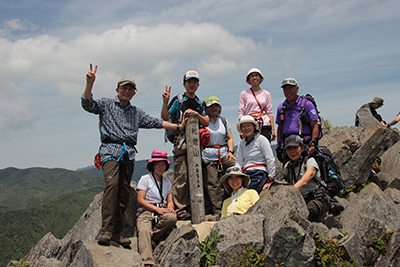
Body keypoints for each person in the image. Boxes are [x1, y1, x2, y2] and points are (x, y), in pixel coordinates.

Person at [81, 64, 186, 246]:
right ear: (117, 90)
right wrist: (89, 84)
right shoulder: (106, 104)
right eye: (124, 88)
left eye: (130, 89)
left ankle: (116, 232)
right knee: (112, 185)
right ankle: (106, 229)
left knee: (123, 192)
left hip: (128, 154)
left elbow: (156, 122)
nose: (127, 91)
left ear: (134, 93)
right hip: (110, 150)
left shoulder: (135, 112)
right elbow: (87, 104)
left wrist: (179, 127)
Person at [161, 70, 209, 220]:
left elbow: (206, 121)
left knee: (196, 172)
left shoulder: (200, 103)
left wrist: (194, 114)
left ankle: (197, 206)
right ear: (184, 84)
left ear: (198, 85)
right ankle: (181, 208)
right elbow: (165, 117)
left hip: (196, 143)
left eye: (194, 82)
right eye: (189, 82)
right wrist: (164, 102)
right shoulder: (178, 100)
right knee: (181, 175)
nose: (192, 84)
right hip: (181, 142)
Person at [136, 150, 177, 267]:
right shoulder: (145, 179)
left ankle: (151, 239)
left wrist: (170, 209)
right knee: (144, 229)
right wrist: (156, 209)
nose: (161, 167)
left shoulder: (167, 182)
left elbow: (170, 201)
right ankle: (147, 261)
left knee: (171, 218)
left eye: (163, 164)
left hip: (162, 210)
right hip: (146, 211)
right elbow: (140, 200)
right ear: (152, 165)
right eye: (158, 164)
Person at [280, 135, 329, 222]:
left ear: (302, 148)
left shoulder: (310, 161)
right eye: (289, 149)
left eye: (295, 148)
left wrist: (288, 193)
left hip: (316, 197)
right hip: (300, 199)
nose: (292, 151)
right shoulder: (287, 166)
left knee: (308, 212)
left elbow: (305, 180)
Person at [202, 96, 236, 218]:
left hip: (223, 153)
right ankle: (218, 210)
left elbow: (230, 137)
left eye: (216, 106)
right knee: (212, 183)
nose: (214, 108)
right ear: (206, 108)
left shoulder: (224, 121)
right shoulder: (203, 121)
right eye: (211, 106)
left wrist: (231, 151)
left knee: (236, 170)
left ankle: (238, 200)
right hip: (208, 156)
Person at [275, 78, 319, 160]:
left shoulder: (307, 104)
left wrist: (313, 144)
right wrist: (279, 146)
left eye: (291, 88)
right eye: (285, 89)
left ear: (297, 89)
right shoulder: (281, 108)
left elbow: (315, 125)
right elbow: (280, 128)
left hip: (304, 144)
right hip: (288, 145)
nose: (288, 91)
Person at [235, 115, 275, 193]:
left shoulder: (261, 140)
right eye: (244, 126)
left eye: (249, 125)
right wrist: (236, 174)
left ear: (254, 126)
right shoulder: (242, 143)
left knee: (249, 192)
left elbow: (270, 158)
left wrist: (270, 177)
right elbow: (239, 161)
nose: (246, 128)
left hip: (259, 171)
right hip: (246, 173)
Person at [238, 68, 276, 142]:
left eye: (256, 75)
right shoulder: (244, 94)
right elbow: (241, 112)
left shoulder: (266, 94)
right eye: (252, 76)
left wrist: (273, 129)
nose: (254, 78)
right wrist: (242, 129)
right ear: (249, 79)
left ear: (260, 78)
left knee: (264, 146)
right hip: (250, 124)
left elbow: (270, 112)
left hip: (264, 123)